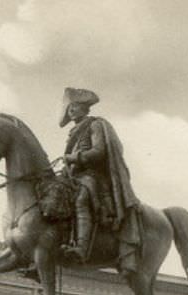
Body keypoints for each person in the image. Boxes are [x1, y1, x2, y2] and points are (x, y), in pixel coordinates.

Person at [59, 87, 141, 271]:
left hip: (92, 177)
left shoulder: (95, 125)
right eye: (70, 107)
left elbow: (99, 151)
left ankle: (80, 248)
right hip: (74, 176)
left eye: (75, 106)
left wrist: (75, 158)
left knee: (81, 199)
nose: (71, 110)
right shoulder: (74, 131)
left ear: (85, 108)